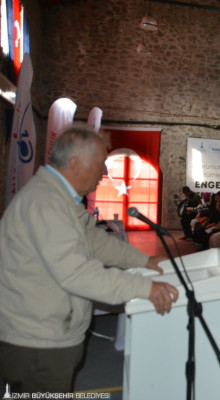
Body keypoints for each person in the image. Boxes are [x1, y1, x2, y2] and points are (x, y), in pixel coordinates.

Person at [0, 125, 179, 394]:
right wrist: (146, 288)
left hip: (44, 335)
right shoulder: (47, 204)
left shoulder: (61, 199)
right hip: (37, 344)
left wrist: (143, 261)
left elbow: (94, 240)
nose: (104, 173)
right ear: (74, 164)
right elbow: (77, 273)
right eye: (99, 164)